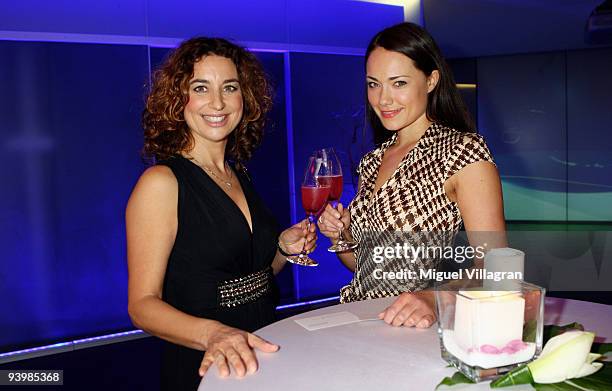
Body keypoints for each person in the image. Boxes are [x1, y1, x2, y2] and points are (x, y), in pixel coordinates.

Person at [126, 37, 315, 390]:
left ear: (245, 98)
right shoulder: (162, 183)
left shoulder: (238, 174)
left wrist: (283, 251)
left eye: (229, 87)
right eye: (201, 88)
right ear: (178, 99)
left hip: (260, 354)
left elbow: (251, 276)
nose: (217, 102)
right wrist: (213, 334)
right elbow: (141, 306)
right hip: (206, 364)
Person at [318, 22, 506, 329]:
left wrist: (433, 297)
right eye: (373, 84)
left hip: (424, 328)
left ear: (431, 80)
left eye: (399, 83)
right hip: (364, 322)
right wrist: (342, 237)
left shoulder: (462, 151)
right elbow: (366, 268)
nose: (383, 99)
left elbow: (496, 268)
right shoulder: (372, 161)